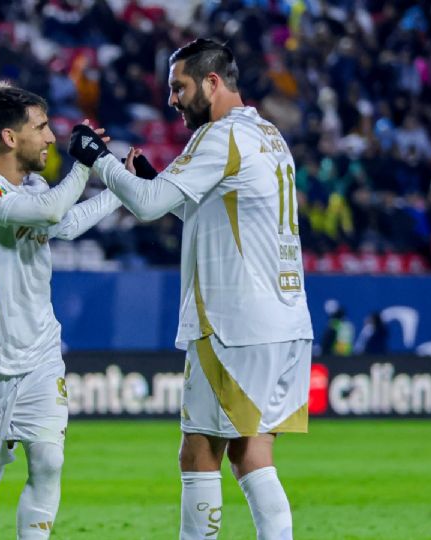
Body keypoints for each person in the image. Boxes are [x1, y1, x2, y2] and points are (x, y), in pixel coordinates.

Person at [68, 39, 313, 540]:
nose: (172, 100)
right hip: (286, 321)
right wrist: (153, 180)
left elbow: (149, 205)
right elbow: (200, 207)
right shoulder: (268, 135)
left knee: (198, 451)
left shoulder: (220, 136)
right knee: (252, 454)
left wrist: (100, 158)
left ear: (213, 82)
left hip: (233, 322)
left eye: (179, 87)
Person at [0, 81, 123, 539]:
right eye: (40, 127)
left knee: (48, 461)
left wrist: (122, 188)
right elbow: (45, 213)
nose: (49, 138)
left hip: (40, 350)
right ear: (9, 137)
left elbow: (63, 221)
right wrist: (84, 166)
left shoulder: (38, 187)